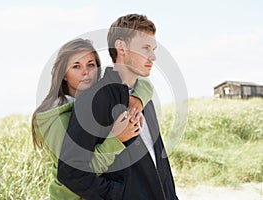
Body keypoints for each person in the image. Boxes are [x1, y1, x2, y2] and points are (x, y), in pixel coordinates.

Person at [57, 14, 178, 200]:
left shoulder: (144, 99)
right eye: (145, 48)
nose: (153, 56)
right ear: (121, 47)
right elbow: (70, 172)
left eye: (153, 49)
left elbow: (158, 162)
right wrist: (119, 194)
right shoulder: (94, 100)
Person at [31, 38, 154, 199]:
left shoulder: (96, 101)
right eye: (76, 66)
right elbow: (75, 172)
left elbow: (142, 80)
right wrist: (116, 140)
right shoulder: (55, 118)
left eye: (91, 64)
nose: (86, 72)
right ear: (64, 75)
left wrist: (137, 99)